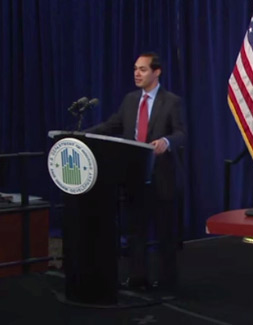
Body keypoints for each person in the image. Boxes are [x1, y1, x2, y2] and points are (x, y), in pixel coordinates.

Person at [87, 52, 185, 291]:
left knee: (165, 234)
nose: (137, 74)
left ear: (156, 72)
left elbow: (181, 134)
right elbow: (112, 125)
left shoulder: (171, 101)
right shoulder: (130, 100)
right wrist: (82, 135)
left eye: (142, 69)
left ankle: (167, 283)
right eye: (135, 69)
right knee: (135, 233)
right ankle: (137, 278)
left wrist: (166, 141)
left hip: (161, 177)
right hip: (133, 177)